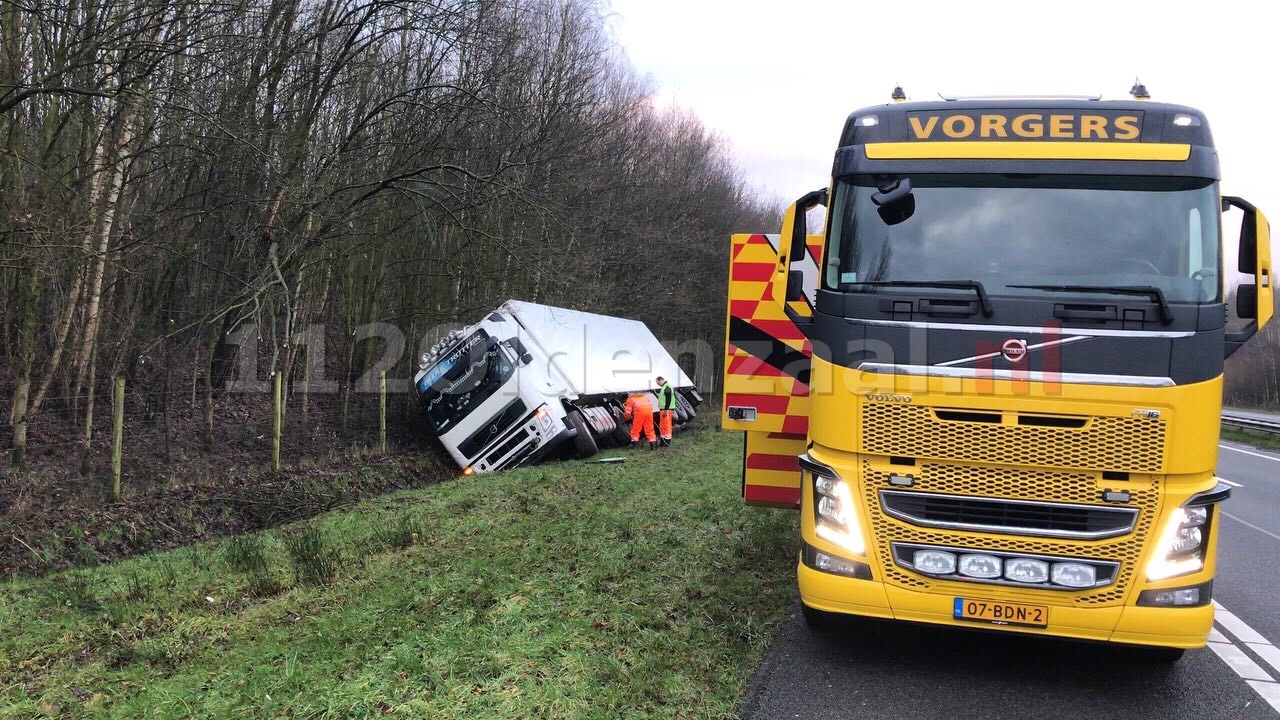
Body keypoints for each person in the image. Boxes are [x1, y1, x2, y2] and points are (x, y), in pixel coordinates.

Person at [654, 375, 676, 447]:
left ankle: (666, 443)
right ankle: (663, 442)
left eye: (658, 383)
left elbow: (669, 399)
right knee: (663, 425)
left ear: (660, 380)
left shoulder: (666, 387)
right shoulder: (667, 387)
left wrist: (666, 410)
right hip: (666, 409)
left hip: (666, 409)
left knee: (666, 425)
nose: (658, 385)